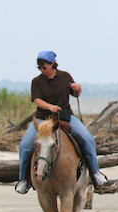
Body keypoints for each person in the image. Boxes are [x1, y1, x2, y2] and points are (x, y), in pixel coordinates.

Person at [16, 51, 107, 194]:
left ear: (52, 64)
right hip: (43, 118)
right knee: (25, 146)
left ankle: (95, 173)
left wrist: (78, 88)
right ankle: (23, 180)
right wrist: (50, 107)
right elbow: (37, 100)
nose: (41, 69)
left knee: (88, 139)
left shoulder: (65, 76)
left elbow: (75, 93)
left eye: (44, 67)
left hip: (65, 116)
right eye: (39, 67)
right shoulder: (37, 81)